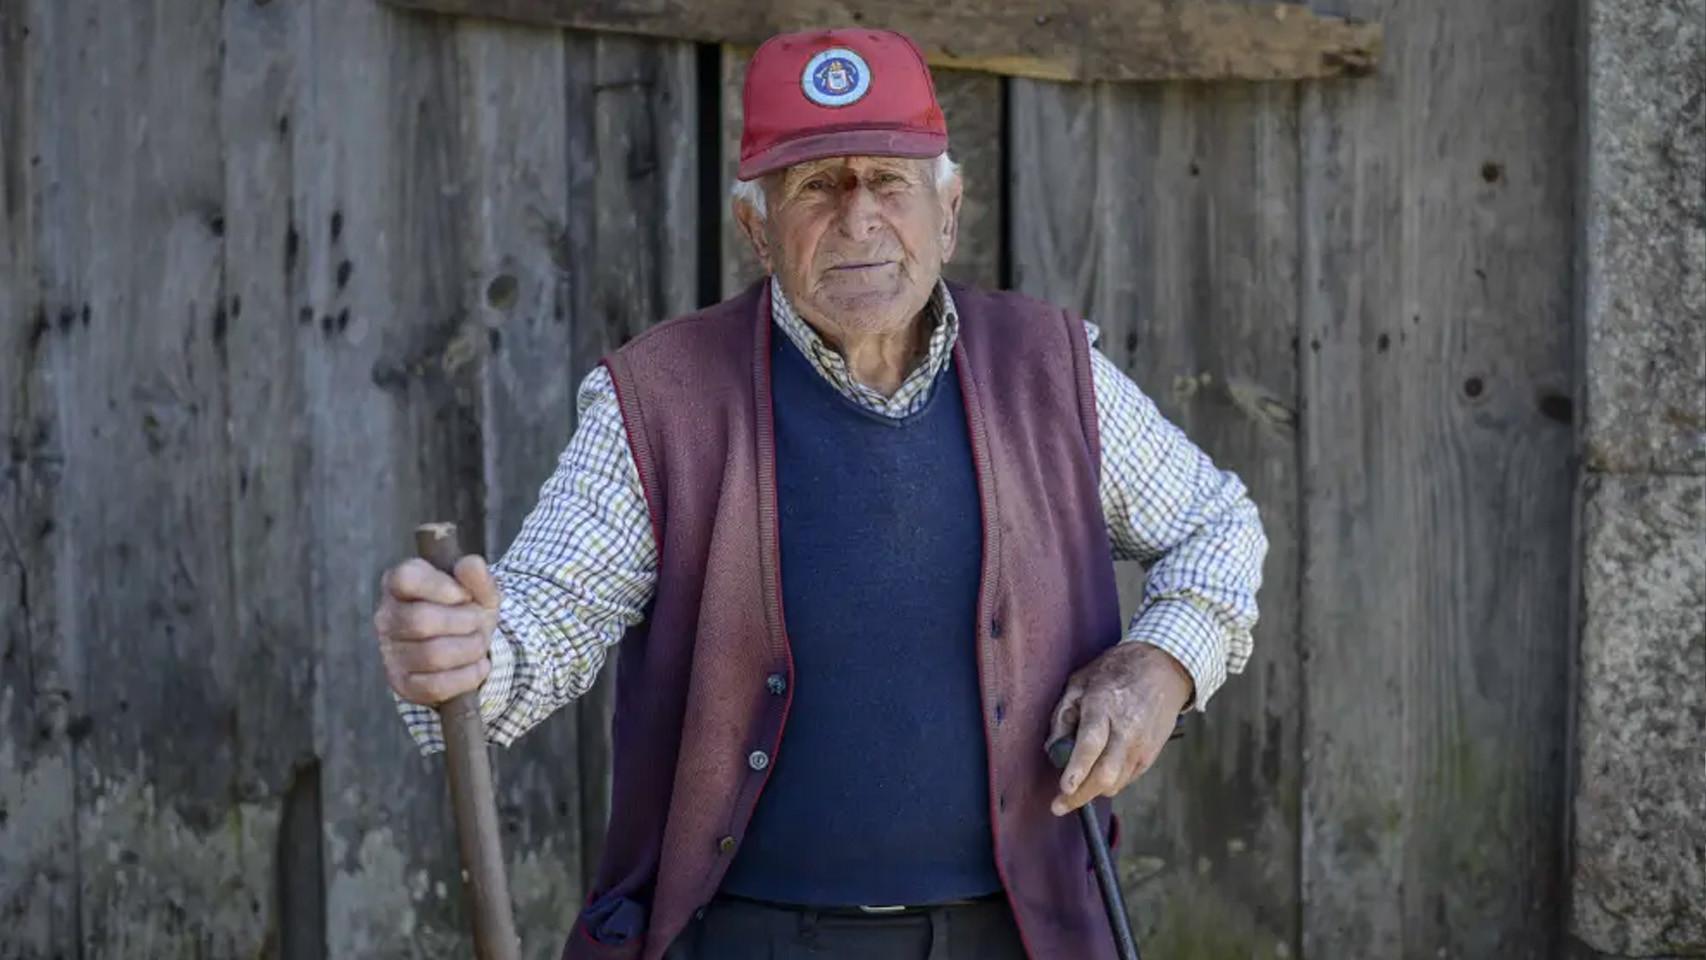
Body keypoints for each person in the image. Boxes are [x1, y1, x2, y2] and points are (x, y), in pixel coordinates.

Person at [373, 27, 1267, 960]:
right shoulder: (661, 401)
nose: (859, 219)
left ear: (949, 212)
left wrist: (1161, 663)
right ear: (757, 229)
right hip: (748, 940)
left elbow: (1216, 526)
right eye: (816, 187)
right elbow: (544, 621)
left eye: (889, 181)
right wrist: (461, 654)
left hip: (1024, 937)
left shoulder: (1052, 369)